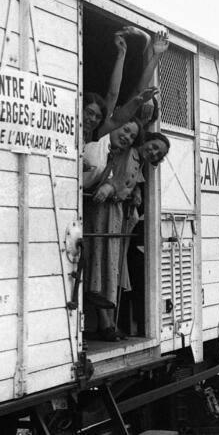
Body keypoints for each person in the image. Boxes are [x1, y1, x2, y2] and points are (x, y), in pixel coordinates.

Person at [83, 119, 144, 341]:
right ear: (114, 126)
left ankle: (108, 323)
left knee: (110, 266)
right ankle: (105, 324)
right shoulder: (99, 148)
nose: (127, 136)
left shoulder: (124, 155)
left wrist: (135, 191)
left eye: (132, 135)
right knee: (99, 264)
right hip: (98, 214)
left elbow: (128, 181)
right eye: (125, 129)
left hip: (115, 217)